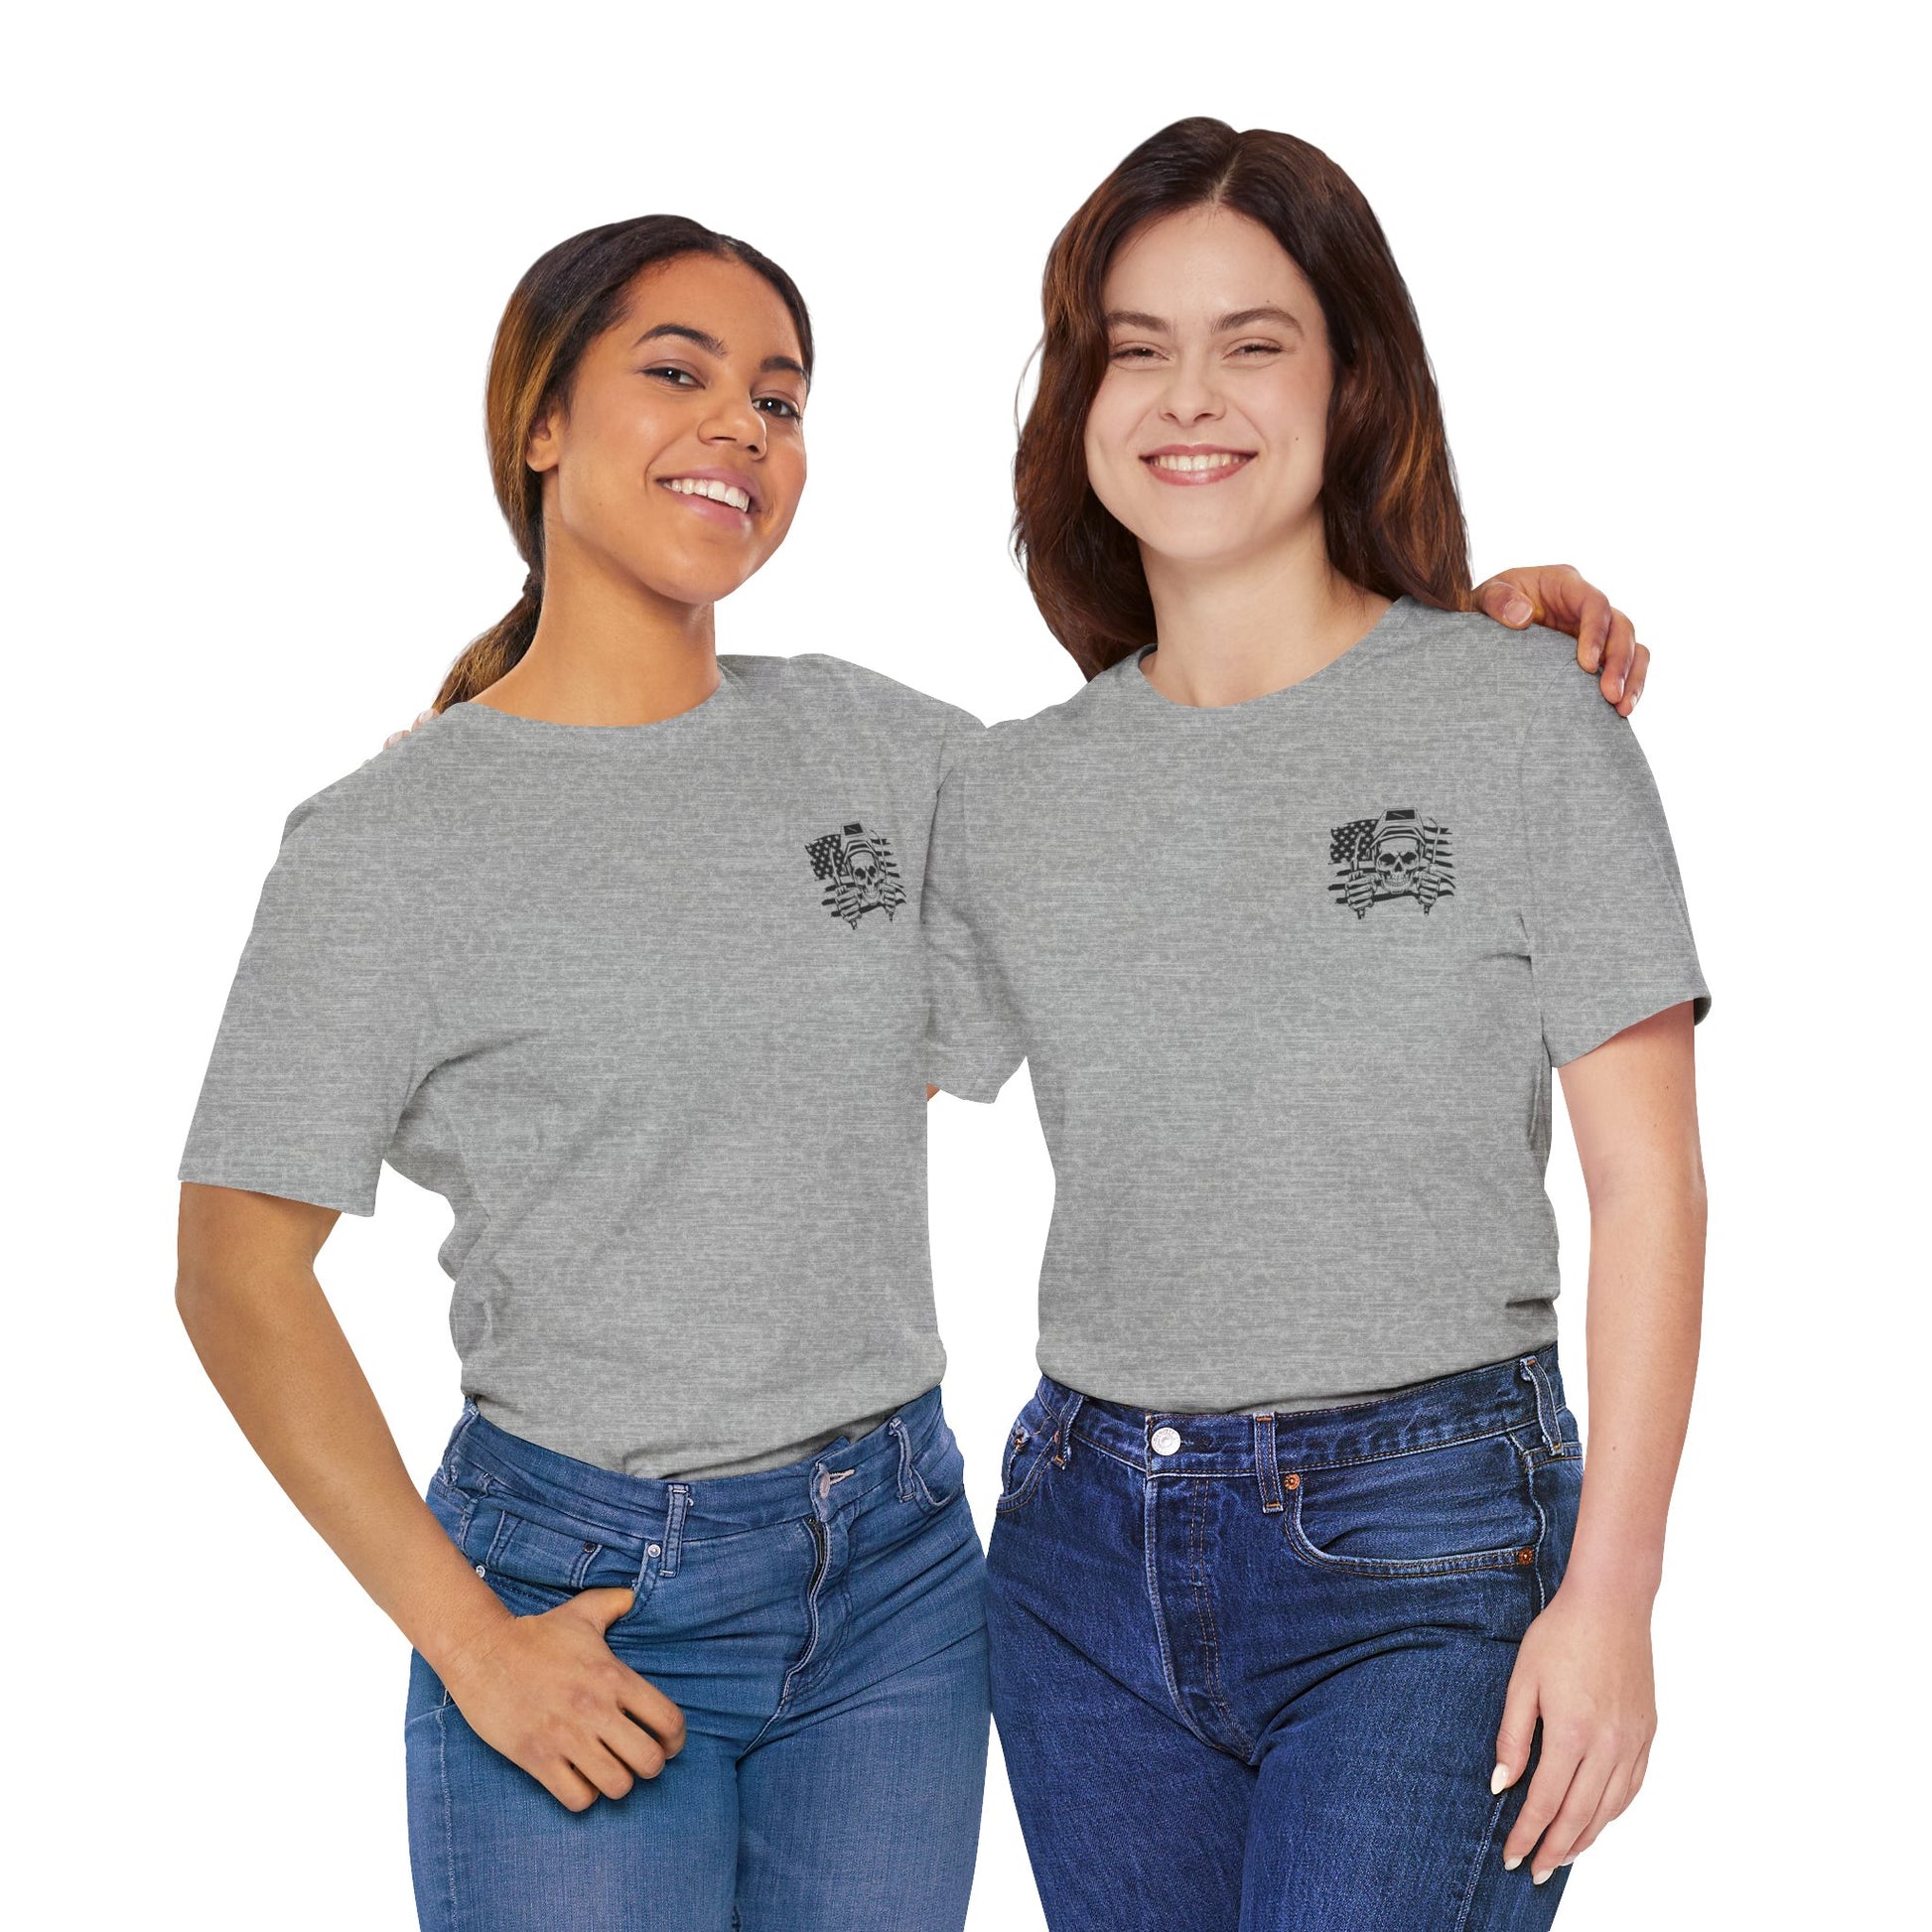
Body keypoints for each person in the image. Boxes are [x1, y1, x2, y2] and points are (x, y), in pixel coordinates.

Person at [177, 208, 1646, 1931]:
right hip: (576, 1590)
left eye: (779, 398)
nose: (739, 425)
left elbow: (1193, 777)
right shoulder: (387, 843)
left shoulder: (889, 758)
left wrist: (1458, 651)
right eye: (677, 372)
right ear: (541, 421)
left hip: (894, 1587)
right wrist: (470, 1642)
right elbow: (234, 1269)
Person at [922, 119, 1709, 1932]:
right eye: (1134, 347)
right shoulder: (1009, 792)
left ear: (1352, 381)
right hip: (1076, 1561)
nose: (1188, 396)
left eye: (1252, 342)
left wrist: (1612, 1596)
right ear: (1077, 399)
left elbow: (1650, 1187)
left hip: (1429, 1546)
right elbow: (790, 1064)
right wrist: (514, 757)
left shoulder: (1522, 714)